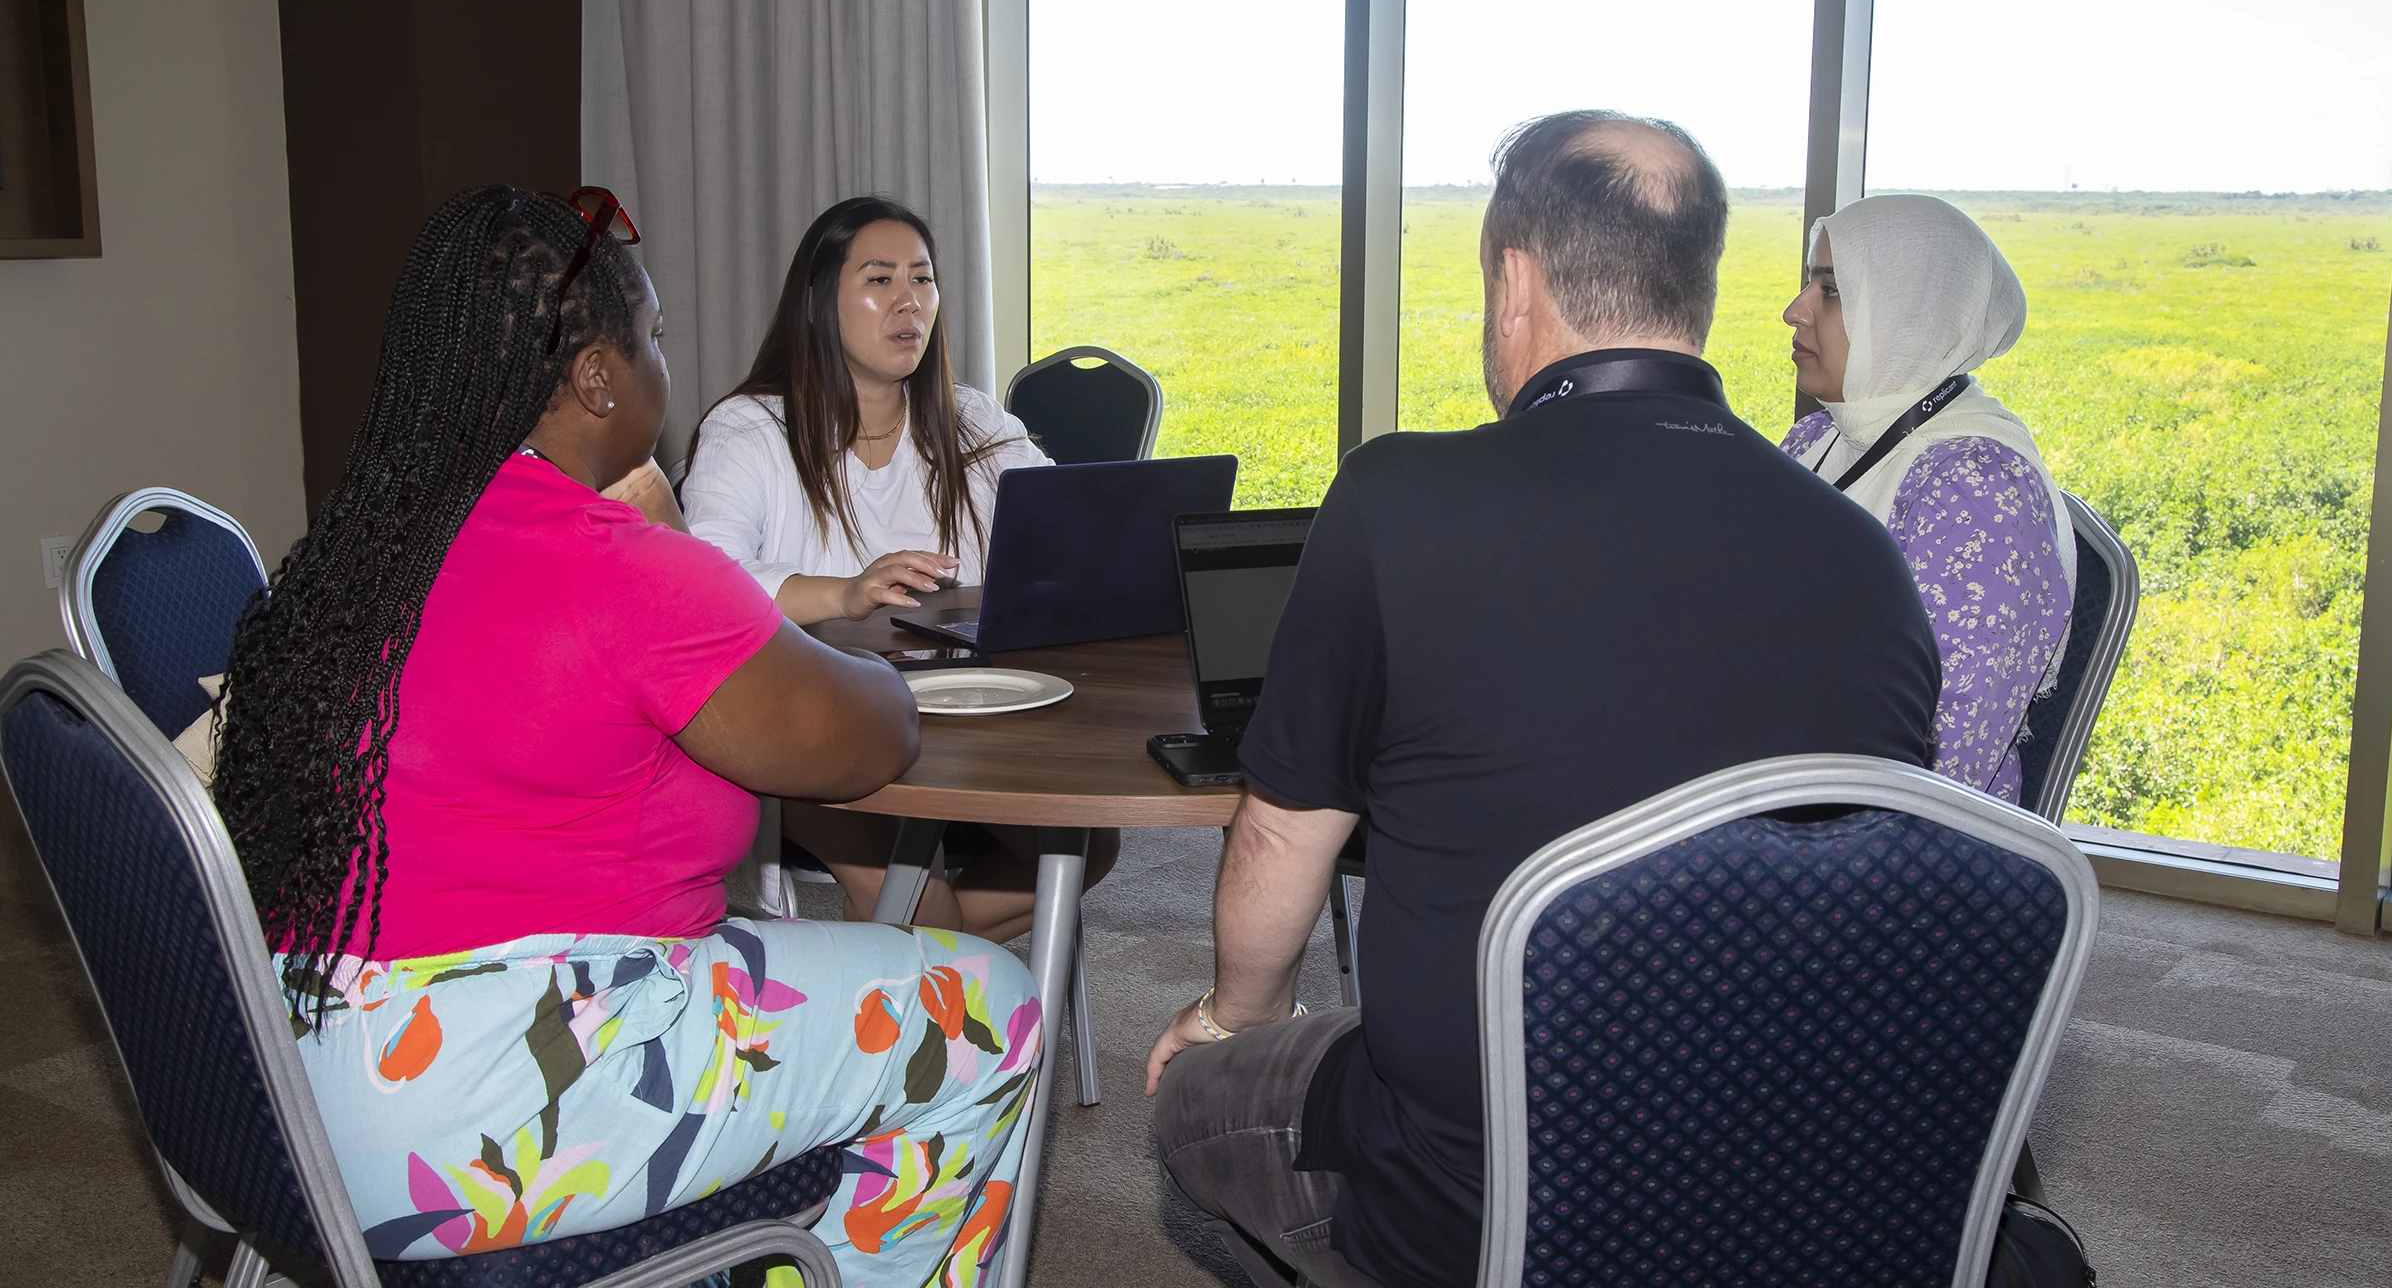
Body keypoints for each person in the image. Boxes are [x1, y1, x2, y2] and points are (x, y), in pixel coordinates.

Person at [1143, 112, 1944, 1288]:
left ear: (1513, 284)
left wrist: (1232, 1015)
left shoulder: (1397, 499)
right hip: (1795, 1177)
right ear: (1699, 293)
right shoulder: (1862, 556)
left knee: (1195, 1109)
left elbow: (1280, 828)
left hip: (1482, 1204)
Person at [213, 187, 1040, 1286]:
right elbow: (870, 735)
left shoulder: (367, 537)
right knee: (991, 1006)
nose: (663, 365)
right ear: (598, 376)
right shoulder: (620, 565)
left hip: (279, 1090)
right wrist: (687, 553)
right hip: (488, 1104)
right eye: (651, 338)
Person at [682, 195, 1117, 941]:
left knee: (1085, 846)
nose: (908, 301)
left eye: (922, 279)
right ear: (820, 302)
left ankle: (893, 971)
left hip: (962, 708)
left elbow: (1064, 524)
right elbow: (703, 584)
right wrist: (845, 594)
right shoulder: (750, 428)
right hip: (812, 718)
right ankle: (930, 989)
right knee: (906, 888)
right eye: (879, 280)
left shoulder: (973, 420)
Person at [1781, 194, 2077, 804]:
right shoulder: (1819, 437)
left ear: (1907, 315)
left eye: (1830, 292)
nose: (1794, 311)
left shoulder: (1978, 489)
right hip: (1786, 782)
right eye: (1809, 285)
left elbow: (1944, 756)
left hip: (1892, 844)